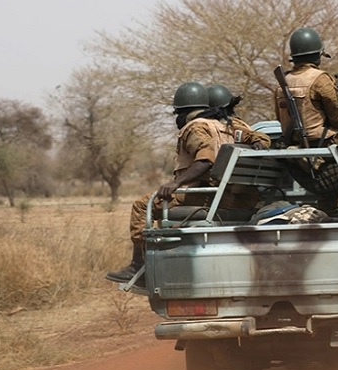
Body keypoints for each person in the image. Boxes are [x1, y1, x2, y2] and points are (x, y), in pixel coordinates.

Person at [106, 81, 269, 285]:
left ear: (183, 111)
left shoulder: (196, 127)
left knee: (141, 205)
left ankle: (139, 266)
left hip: (207, 195)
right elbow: (260, 138)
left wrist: (176, 183)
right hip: (235, 197)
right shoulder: (230, 126)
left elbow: (205, 160)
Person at [273, 27, 338, 213]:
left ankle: (329, 210)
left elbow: (280, 119)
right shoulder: (321, 79)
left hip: (296, 147)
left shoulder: (282, 82)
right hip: (322, 144)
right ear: (318, 56)